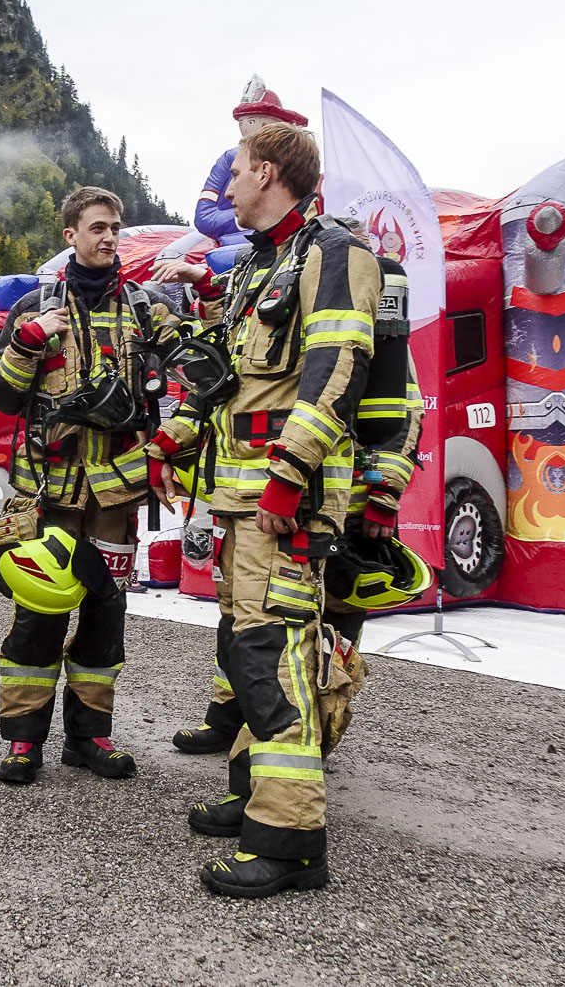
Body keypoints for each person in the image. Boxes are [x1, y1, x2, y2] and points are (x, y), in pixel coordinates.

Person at [150, 123, 382, 897]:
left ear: (271, 172)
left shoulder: (333, 254)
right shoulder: (260, 268)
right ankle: (255, 797)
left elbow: (337, 367)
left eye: (239, 172)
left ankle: (290, 841)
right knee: (245, 653)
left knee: (273, 660)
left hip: (281, 503)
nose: (227, 188)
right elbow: (227, 387)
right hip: (239, 500)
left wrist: (288, 476)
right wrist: (169, 446)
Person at [0, 185, 176, 785]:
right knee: (38, 612)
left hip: (115, 494)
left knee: (105, 615)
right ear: (70, 235)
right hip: (48, 491)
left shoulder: (146, 307)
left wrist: (170, 448)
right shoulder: (34, 308)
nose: (110, 236)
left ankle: (90, 736)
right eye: (97, 227)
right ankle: (22, 740)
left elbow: (193, 368)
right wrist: (27, 343)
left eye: (115, 226)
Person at [193, 75, 308, 247]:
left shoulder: (316, 242)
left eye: (237, 176)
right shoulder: (232, 157)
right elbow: (203, 217)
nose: (229, 192)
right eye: (243, 121)